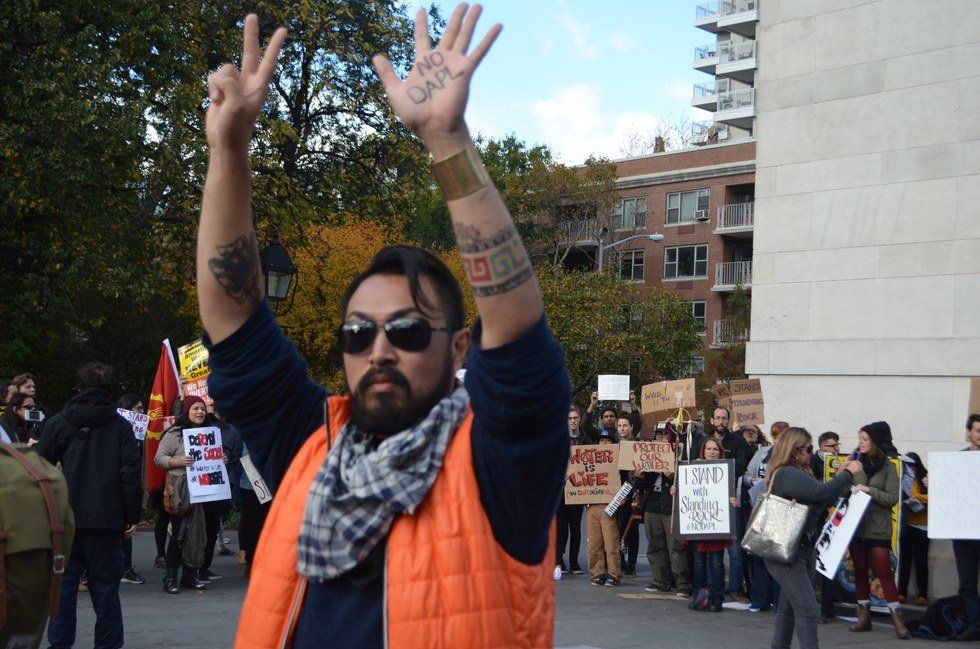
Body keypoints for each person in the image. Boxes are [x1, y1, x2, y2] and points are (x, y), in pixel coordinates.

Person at [197, 8, 569, 647]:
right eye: (356, 334)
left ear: (456, 347)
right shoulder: (308, 449)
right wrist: (229, 149)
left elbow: (515, 326)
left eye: (407, 331)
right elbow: (233, 318)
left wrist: (447, 141)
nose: (378, 350)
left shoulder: (498, 462)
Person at [35, 363, 142, 649]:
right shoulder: (121, 426)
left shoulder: (59, 422)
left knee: (64, 590)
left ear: (79, 387)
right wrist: (131, 515)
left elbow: (37, 466)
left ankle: (60, 645)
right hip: (107, 519)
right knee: (107, 591)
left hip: (65, 520)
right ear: (111, 390)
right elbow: (130, 474)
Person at [764, 427, 863, 649]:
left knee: (789, 609)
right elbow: (822, 493)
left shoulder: (800, 472)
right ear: (794, 450)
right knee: (808, 608)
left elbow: (821, 496)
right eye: (808, 449)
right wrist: (849, 473)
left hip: (801, 550)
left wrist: (843, 473)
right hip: (786, 552)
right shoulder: (788, 473)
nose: (811, 453)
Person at [847, 421, 908, 639]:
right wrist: (844, 474)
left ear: (874, 441)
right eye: (859, 438)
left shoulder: (888, 467)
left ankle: (897, 620)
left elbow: (892, 498)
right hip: (856, 528)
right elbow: (845, 490)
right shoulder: (855, 463)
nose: (860, 443)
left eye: (865, 439)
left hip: (878, 529)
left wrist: (868, 490)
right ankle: (863, 617)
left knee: (884, 574)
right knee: (860, 572)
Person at [676, 438, 740, 612]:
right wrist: (676, 490)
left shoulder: (726, 470)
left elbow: (732, 493)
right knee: (698, 565)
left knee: (717, 564)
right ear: (703, 451)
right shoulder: (691, 469)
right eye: (708, 449)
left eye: (715, 449)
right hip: (698, 524)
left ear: (720, 452)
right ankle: (700, 598)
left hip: (716, 524)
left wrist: (735, 501)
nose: (712, 452)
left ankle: (717, 600)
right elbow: (685, 492)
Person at [154, 396, 210, 594]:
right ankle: (170, 578)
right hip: (181, 492)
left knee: (198, 535)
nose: (200, 412)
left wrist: (220, 459)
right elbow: (159, 458)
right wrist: (178, 462)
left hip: (203, 491)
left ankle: (189, 576)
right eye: (195, 408)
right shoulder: (175, 434)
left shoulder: (208, 434)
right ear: (187, 411)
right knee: (179, 534)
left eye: (203, 409)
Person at [697, 406, 752, 600]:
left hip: (730, 501)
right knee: (708, 553)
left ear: (728, 421)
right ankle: (706, 590)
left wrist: (721, 464)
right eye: (717, 418)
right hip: (706, 505)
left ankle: (735, 589)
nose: (720, 421)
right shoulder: (702, 441)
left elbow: (740, 467)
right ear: (711, 420)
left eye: (724, 418)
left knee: (734, 550)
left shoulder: (737, 440)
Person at [637, 425, 690, 597]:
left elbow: (689, 481)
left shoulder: (679, 453)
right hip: (652, 506)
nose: (660, 437)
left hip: (671, 506)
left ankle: (682, 583)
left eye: (664, 434)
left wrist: (674, 476)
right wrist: (640, 476)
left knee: (675, 546)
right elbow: (641, 486)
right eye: (658, 434)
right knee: (655, 545)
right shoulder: (649, 454)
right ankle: (661, 581)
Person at [950, 414, 980, 641]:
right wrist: (936, 482)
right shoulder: (956, 460)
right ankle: (975, 624)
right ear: (969, 432)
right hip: (963, 531)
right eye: (978, 430)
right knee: (967, 581)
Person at [113, 394, 148, 586]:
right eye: (137, 408)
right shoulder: (113, 431)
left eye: (142, 409)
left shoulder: (140, 437)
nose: (141, 412)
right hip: (114, 487)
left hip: (131, 486)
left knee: (128, 528)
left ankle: (126, 568)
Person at [808, 430, 841, 622]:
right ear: (822, 447)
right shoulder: (813, 462)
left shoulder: (841, 461)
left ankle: (828, 606)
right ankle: (817, 606)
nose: (836, 449)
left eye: (837, 445)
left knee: (829, 561)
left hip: (834, 518)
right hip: (818, 519)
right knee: (816, 564)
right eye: (831, 446)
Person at [556, 405, 590, 574]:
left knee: (575, 527)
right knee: (560, 527)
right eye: (569, 418)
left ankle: (574, 561)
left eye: (575, 418)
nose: (573, 421)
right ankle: (558, 560)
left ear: (579, 419)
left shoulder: (586, 440)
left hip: (579, 489)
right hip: (561, 491)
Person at [586, 430, 622, 587]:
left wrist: (620, 499)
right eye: (602, 441)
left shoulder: (618, 460)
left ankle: (614, 573)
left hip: (609, 504)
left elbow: (626, 481)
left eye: (608, 440)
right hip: (592, 504)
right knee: (594, 542)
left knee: (611, 541)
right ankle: (597, 572)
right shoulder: (590, 459)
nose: (604, 443)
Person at [897, 451, 928, 607]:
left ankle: (922, 594)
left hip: (923, 526)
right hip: (908, 524)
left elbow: (932, 496)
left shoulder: (926, 479)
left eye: (912, 466)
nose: (910, 469)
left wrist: (918, 499)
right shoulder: (904, 479)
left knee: (921, 561)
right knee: (905, 560)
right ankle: (902, 592)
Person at [237, 442, 271, 579]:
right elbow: (246, 455)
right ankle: (251, 562)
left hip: (270, 484)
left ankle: (263, 561)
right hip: (253, 484)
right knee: (253, 524)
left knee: (267, 524)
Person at [616, 413, 641, 576]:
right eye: (620, 426)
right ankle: (621, 561)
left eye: (625, 425)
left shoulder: (639, 445)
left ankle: (632, 563)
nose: (622, 428)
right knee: (618, 528)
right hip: (617, 492)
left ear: (632, 427)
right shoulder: (614, 446)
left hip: (633, 492)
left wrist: (634, 490)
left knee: (633, 529)